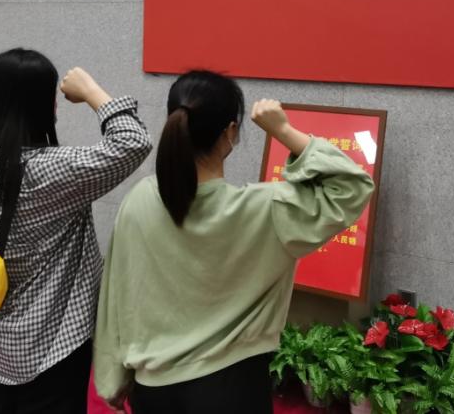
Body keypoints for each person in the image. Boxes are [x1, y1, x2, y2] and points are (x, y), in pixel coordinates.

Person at [93, 71, 376, 414]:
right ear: (230, 133)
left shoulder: (140, 199)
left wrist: (111, 378)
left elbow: (117, 292)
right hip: (233, 387)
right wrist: (283, 131)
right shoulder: (267, 209)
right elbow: (353, 186)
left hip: (153, 390)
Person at [0, 50, 152, 414]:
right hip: (51, 347)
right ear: (45, 104)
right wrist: (90, 91)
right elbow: (132, 141)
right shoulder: (51, 171)